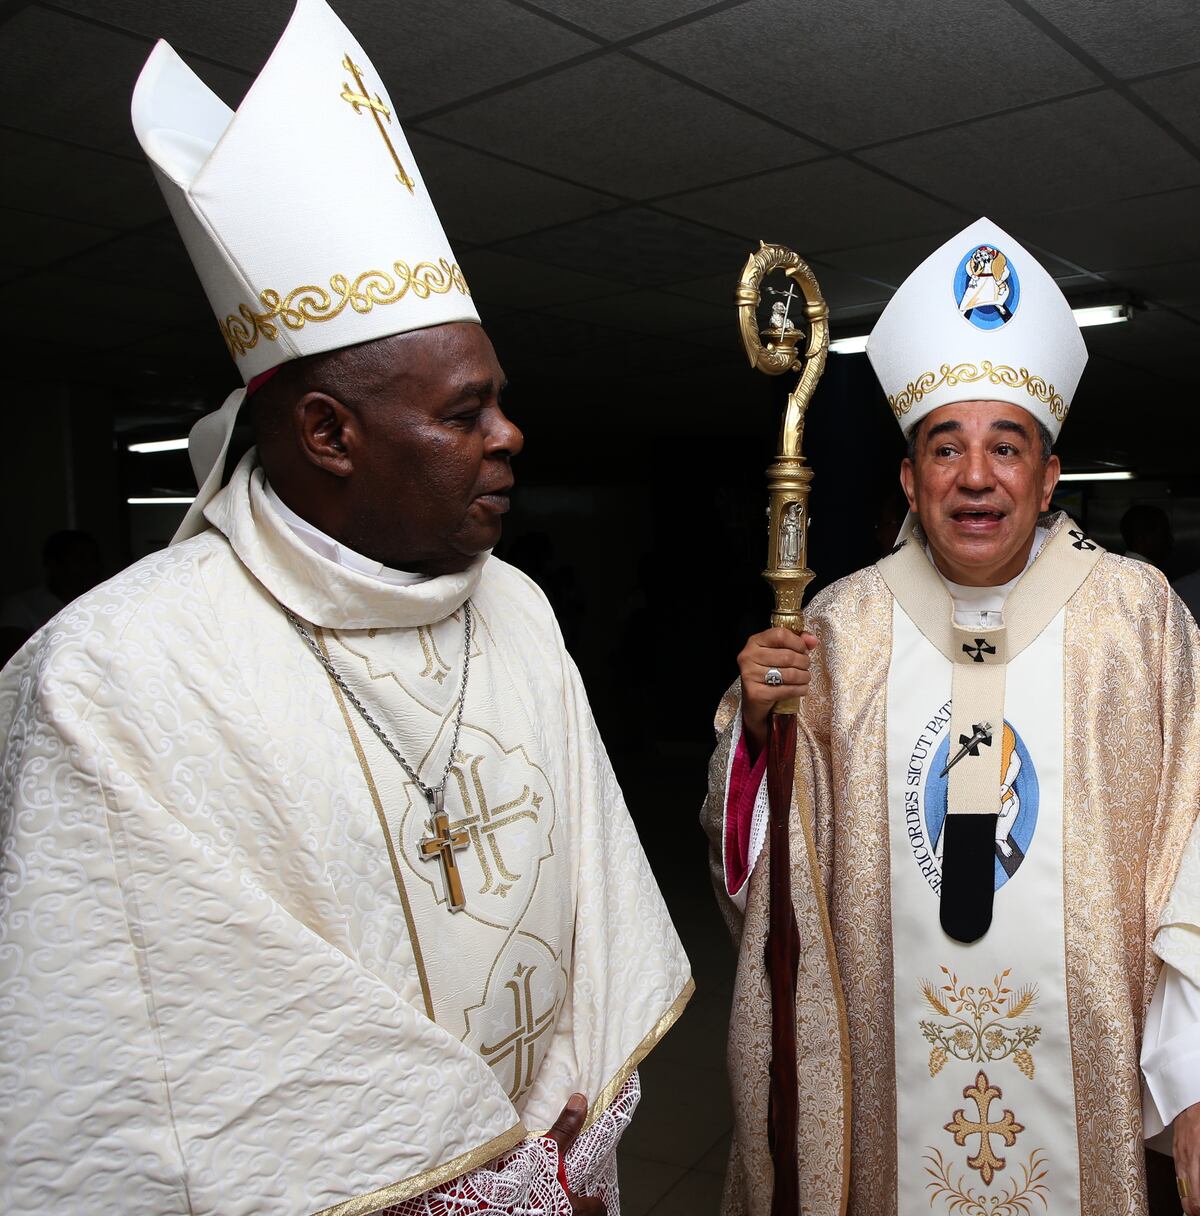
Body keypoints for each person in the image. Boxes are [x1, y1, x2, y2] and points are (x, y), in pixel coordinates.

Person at [0, 2, 691, 1211]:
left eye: (500, 401)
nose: (510, 433)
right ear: (328, 433)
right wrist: (457, 1165)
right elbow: (150, 1050)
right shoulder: (117, 673)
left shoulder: (517, 607)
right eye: (465, 411)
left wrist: (563, 1112)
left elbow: (591, 877)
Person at [701, 218, 1200, 1216]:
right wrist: (759, 734)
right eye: (946, 448)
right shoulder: (838, 630)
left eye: (1006, 447)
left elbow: (1194, 848)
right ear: (908, 481)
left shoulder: (1136, 619)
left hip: (1095, 1087)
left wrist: (1191, 1082)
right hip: (893, 1088)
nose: (977, 476)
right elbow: (772, 874)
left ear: (1049, 478)